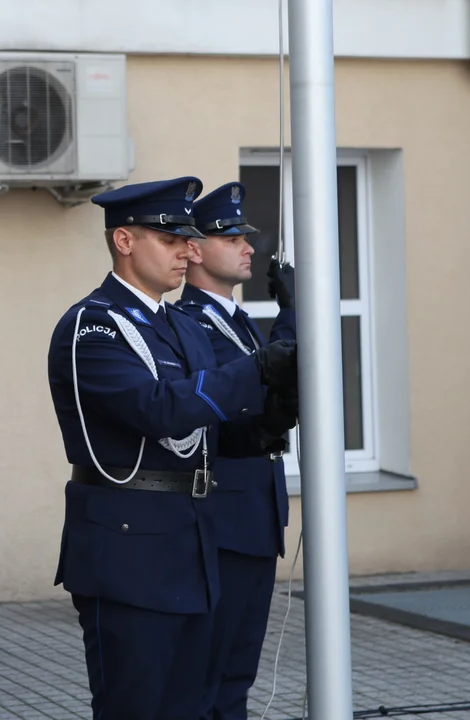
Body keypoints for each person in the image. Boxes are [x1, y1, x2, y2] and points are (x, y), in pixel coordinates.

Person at [46, 176, 298, 720]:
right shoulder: (94, 326)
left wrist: (280, 405)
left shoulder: (175, 328)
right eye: (169, 237)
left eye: (188, 237)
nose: (187, 249)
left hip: (191, 544)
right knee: (138, 705)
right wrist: (257, 369)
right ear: (125, 241)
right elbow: (159, 409)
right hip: (130, 549)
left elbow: (224, 425)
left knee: (195, 702)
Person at [175, 181, 298, 720]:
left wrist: (292, 309)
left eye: (246, 237)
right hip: (222, 517)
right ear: (195, 249)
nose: (250, 247)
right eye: (232, 237)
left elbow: (281, 368)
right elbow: (219, 409)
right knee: (207, 673)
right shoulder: (188, 325)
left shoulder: (239, 321)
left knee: (237, 673)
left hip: (254, 517)